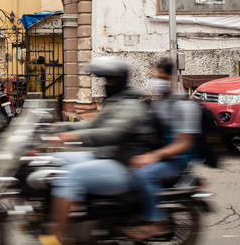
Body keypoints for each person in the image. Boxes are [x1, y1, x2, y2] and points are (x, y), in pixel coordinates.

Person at [40, 57, 161, 245]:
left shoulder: (131, 105)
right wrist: (56, 128)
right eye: (105, 80)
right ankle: (70, 212)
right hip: (107, 155)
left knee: (72, 176)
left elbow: (112, 133)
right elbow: (94, 125)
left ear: (120, 80)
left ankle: (58, 238)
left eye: (109, 80)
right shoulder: (116, 101)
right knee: (55, 159)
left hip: (123, 165)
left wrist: (74, 137)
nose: (106, 84)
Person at [124, 58, 202, 240]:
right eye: (153, 77)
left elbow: (184, 143)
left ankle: (158, 223)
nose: (156, 82)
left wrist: (152, 157)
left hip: (177, 162)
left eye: (161, 78)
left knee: (143, 175)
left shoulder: (184, 106)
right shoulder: (158, 103)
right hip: (162, 156)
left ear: (170, 78)